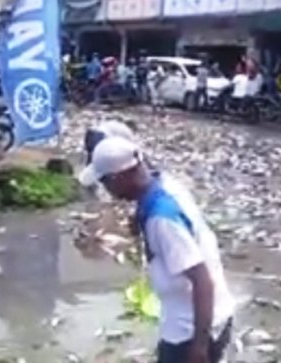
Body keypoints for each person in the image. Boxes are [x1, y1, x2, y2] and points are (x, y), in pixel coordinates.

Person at [80, 137, 235, 363]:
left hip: (191, 330)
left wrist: (199, 349)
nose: (106, 189)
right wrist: (138, 220)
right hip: (205, 318)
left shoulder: (161, 220)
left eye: (105, 181)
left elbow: (202, 281)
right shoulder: (164, 184)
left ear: (120, 177)